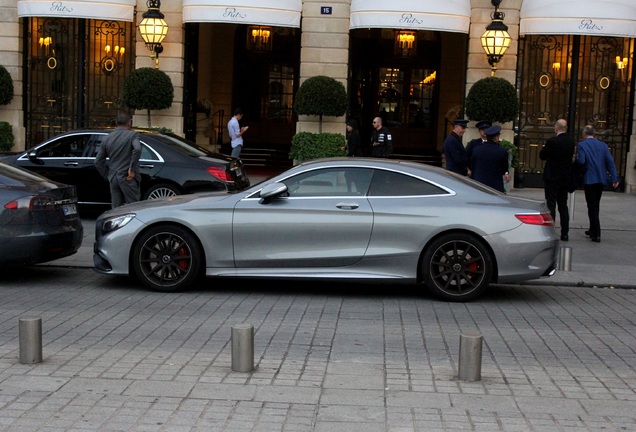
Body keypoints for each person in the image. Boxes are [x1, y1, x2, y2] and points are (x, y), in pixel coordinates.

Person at [577, 125, 620, 243]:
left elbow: (581, 161)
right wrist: (614, 178)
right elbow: (610, 162)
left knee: (592, 206)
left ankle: (596, 233)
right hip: (601, 179)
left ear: (584, 134)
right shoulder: (603, 146)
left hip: (589, 179)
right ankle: (592, 229)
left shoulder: (582, 145)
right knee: (596, 204)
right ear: (594, 134)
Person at [94, 112, 142, 208]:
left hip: (113, 177)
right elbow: (137, 148)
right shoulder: (132, 135)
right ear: (129, 123)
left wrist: (108, 176)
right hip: (127, 177)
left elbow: (97, 162)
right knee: (134, 207)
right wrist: (131, 169)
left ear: (116, 123)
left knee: (116, 209)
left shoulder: (107, 138)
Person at [539, 119, 576, 241]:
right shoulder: (571, 142)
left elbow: (542, 155)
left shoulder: (552, 141)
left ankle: (551, 231)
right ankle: (565, 232)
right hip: (564, 177)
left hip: (552, 176)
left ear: (556, 128)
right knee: (563, 205)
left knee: (551, 204)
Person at [470, 124, 510, 193]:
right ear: (496, 137)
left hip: (479, 183)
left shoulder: (476, 149)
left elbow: (472, 165)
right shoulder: (501, 151)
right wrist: (506, 173)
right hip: (495, 185)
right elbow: (504, 167)